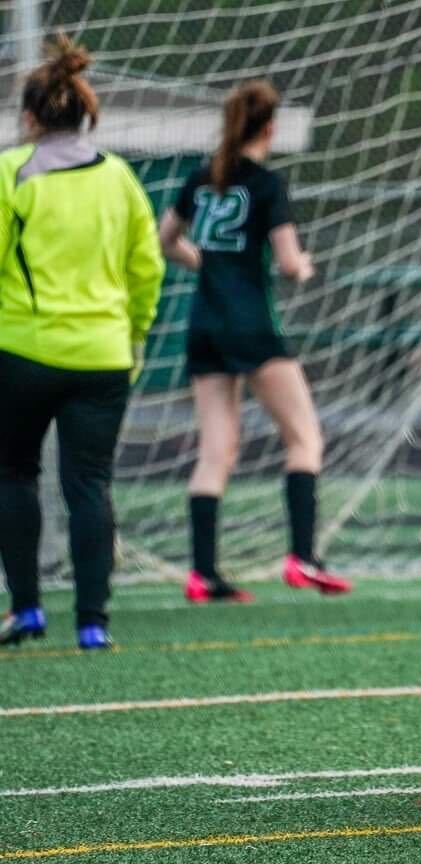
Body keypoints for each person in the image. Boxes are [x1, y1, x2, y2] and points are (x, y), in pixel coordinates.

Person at [0, 35, 164, 650]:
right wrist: (132, 334)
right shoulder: (118, 177)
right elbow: (146, 269)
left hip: (20, 352)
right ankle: (93, 622)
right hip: (103, 356)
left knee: (14, 474)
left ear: (30, 116)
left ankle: (27, 610)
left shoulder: (11, 173)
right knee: (89, 485)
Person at [158, 80, 351, 603]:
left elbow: (164, 239)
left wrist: (206, 263)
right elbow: (289, 262)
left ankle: (202, 573)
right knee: (304, 438)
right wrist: (304, 268)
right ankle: (304, 558)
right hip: (250, 324)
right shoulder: (267, 184)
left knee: (216, 448)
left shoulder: (202, 178)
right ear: (270, 127)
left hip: (203, 324)